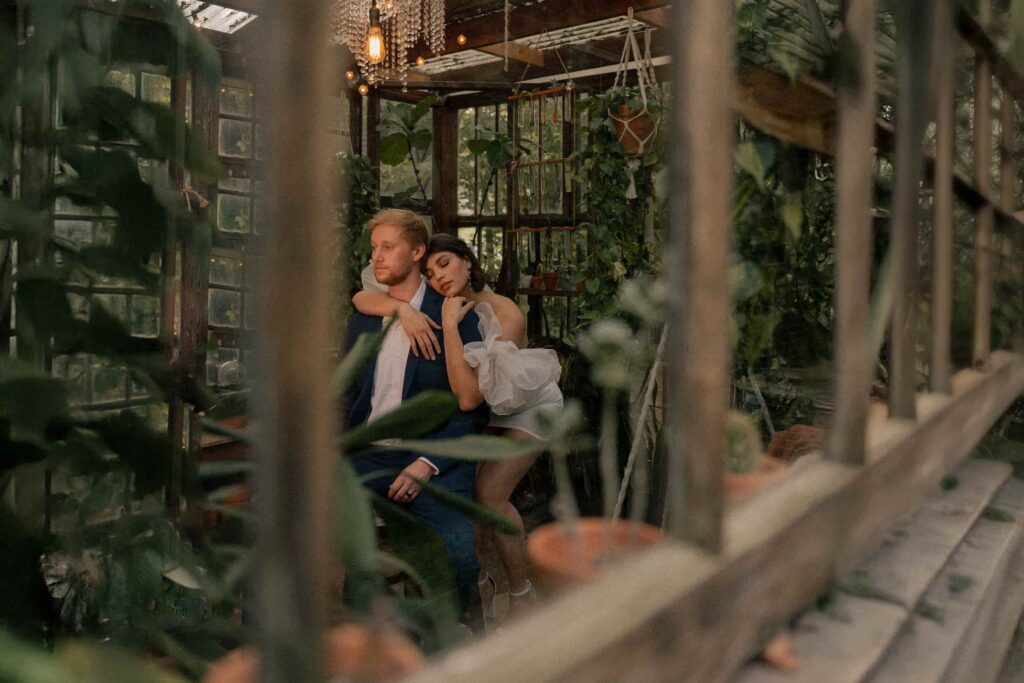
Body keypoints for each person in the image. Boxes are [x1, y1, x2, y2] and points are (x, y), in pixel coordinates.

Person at [353, 234, 563, 620]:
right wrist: (405, 310)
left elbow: (467, 397)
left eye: (446, 263)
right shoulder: (439, 304)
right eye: (430, 273)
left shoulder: (505, 315)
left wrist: (449, 326)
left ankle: (521, 591)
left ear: (468, 261)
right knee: (464, 494)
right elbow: (361, 298)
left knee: (489, 494)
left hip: (525, 412)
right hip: (486, 413)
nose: (439, 277)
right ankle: (479, 585)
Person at [344, 210, 490, 612]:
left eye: (388, 247)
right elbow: (346, 396)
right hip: (368, 456)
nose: (377, 257)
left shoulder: (455, 317)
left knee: (459, 555)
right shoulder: (362, 321)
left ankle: (460, 639)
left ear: (417, 252)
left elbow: (471, 410)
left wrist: (427, 462)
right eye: (374, 248)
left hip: (431, 457)